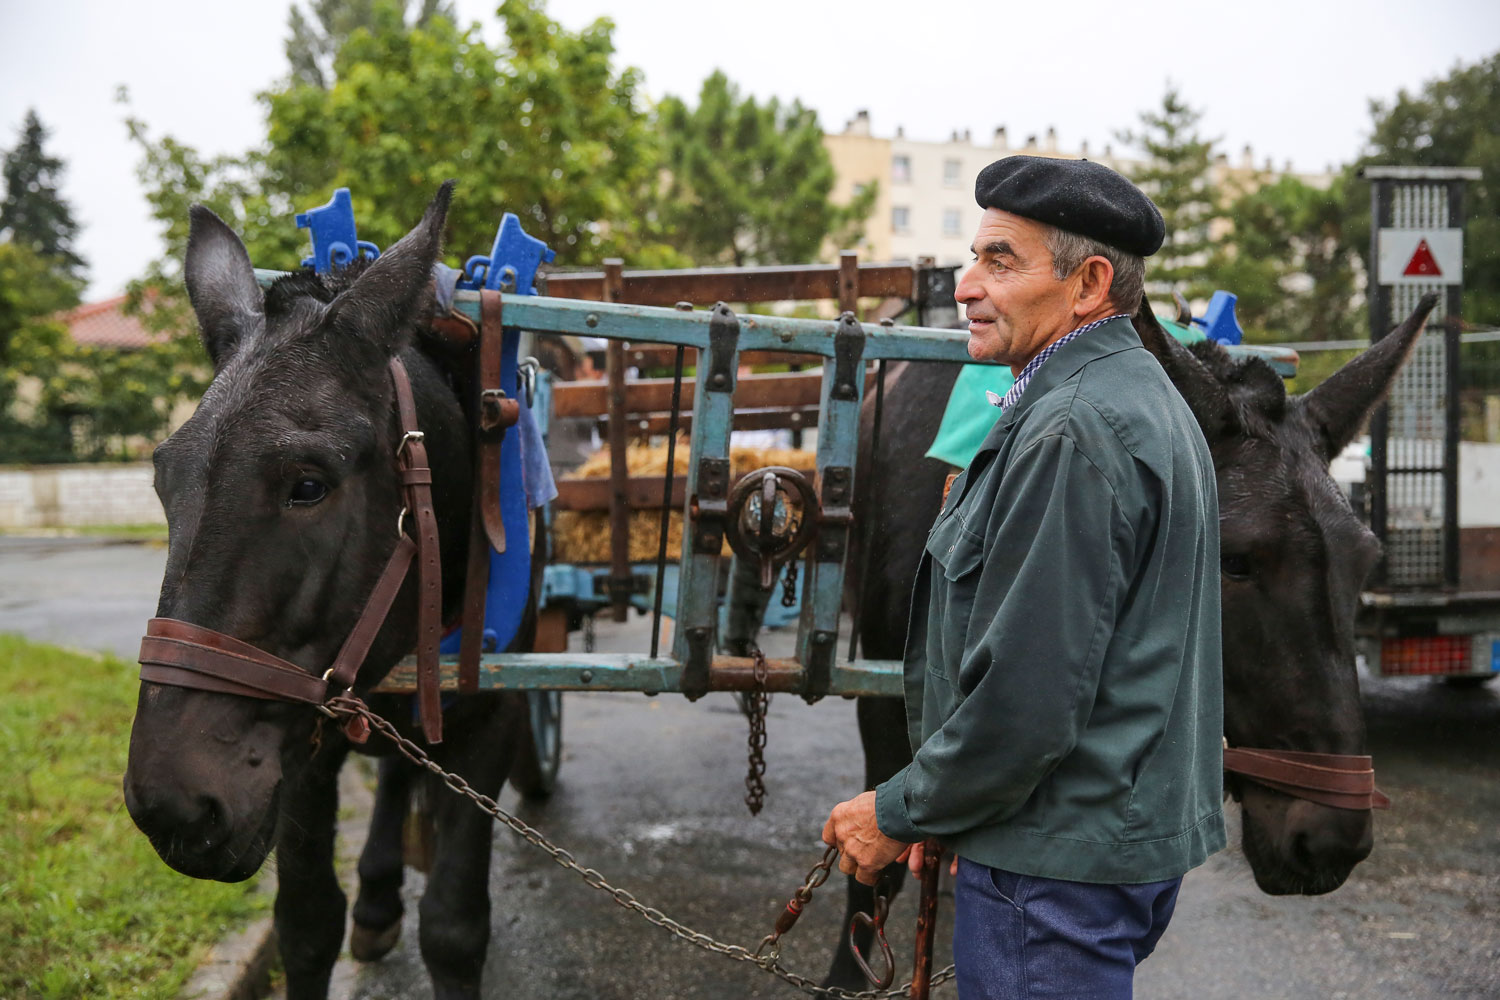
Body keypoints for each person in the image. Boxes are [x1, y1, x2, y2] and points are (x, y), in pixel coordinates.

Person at [821, 155, 1225, 999]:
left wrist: (899, 810)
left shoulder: (1072, 430)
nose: (967, 285)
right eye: (973, 258)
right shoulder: (1131, 395)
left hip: (1051, 868)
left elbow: (1028, 697)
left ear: (1090, 283)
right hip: (1096, 845)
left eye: (999, 261)